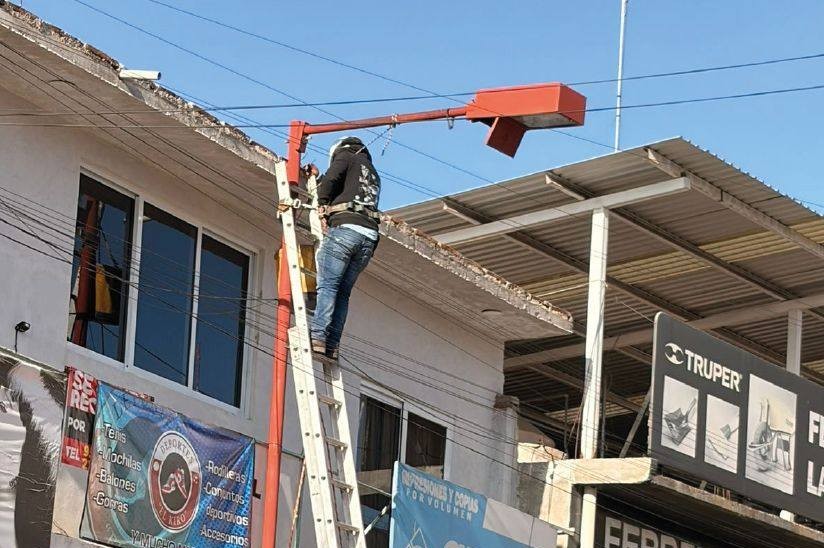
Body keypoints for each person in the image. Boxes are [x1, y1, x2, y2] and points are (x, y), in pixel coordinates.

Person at [308, 136, 381, 360]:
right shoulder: (373, 173)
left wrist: (321, 201)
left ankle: (319, 337)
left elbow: (331, 180)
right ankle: (332, 345)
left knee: (329, 286)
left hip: (346, 231)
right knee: (343, 294)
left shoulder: (346, 156)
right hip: (369, 238)